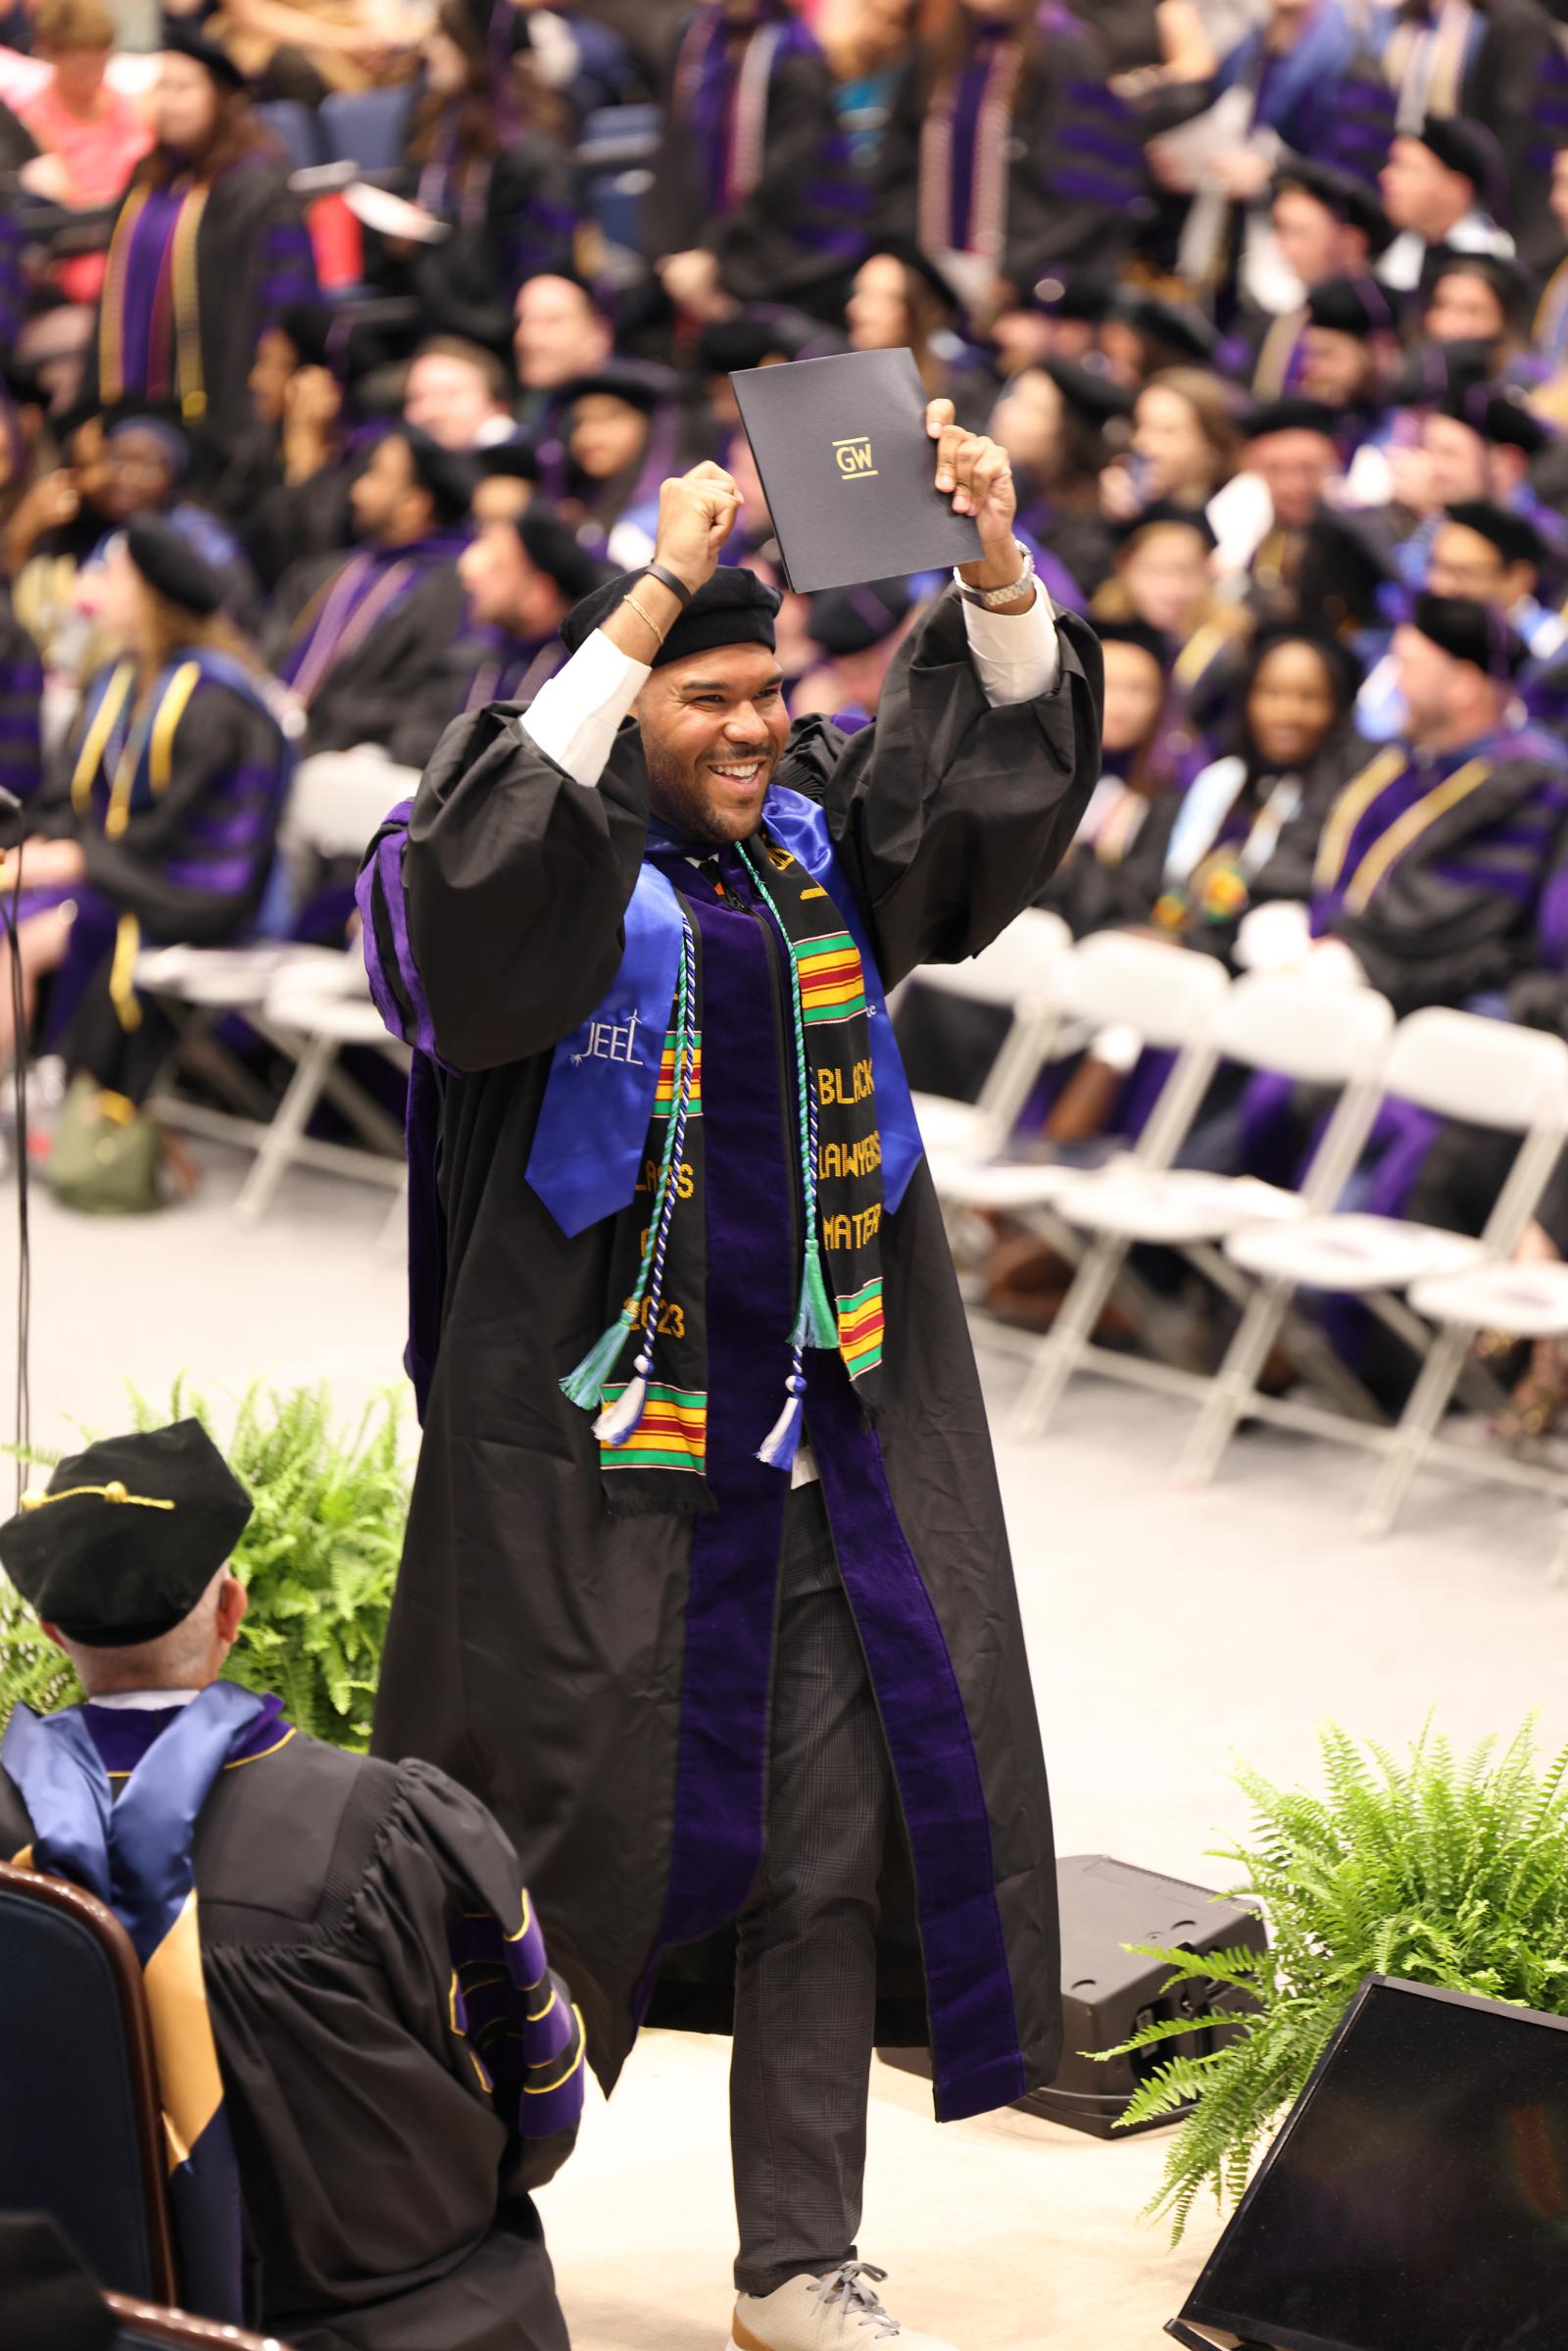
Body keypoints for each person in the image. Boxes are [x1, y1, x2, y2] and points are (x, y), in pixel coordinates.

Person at [356, 416, 1101, 2351]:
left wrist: (996, 573)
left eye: (777, 689)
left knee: (827, 1855)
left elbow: (973, 805)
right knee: (539, 1845)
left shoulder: (806, 845)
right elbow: (452, 917)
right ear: (628, 698)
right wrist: (644, 598)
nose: (763, 727)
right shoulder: (528, 852)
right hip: (589, 1472)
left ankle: (793, 2252)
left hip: (826, 1443)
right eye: (715, 697)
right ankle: (418, 2221)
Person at [0, 1418, 583, 2349]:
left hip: (75, 2322)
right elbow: (540, 2096)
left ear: (50, 1626)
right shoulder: (392, 1830)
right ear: (231, 1609)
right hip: (392, 2323)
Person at [1, 520, 289, 1092]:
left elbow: (186, 846)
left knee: (19, 939)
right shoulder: (117, 681)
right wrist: (44, 849)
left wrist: (80, 862)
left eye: (110, 574)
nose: (92, 586)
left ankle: (55, 1098)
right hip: (119, 875)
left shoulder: (218, 706)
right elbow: (70, 799)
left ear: (149, 595)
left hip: (193, 895)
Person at [1263, 590, 1568, 1014]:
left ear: (1462, 685)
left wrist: (1353, 955)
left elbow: (1453, 920)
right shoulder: (1378, 760)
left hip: (1402, 1006)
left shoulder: (1526, 790)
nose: (1395, 683)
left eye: (1407, 667)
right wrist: (1280, 908)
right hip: (1300, 981)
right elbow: (1305, 838)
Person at [83, 27, 319, 473]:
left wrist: (270, 366)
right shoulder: (147, 180)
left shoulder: (257, 183)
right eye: (161, 87)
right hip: (140, 404)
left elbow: (288, 293)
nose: (168, 101)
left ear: (222, 96)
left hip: (222, 398)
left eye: (183, 88)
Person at [877, 0, 1142, 321]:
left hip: (1032, 294)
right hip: (932, 285)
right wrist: (914, 262)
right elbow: (896, 168)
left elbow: (1095, 184)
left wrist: (1018, 274)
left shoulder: (1068, 56)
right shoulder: (934, 55)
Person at [643, 0, 866, 321]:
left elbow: (788, 180)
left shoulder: (795, 57)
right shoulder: (693, 42)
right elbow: (670, 158)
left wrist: (716, 260)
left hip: (772, 269)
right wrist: (672, 260)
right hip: (691, 266)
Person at [380, 0, 581, 353]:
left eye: (445, 37)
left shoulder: (530, 153)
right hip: (439, 317)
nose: (432, 49)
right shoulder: (434, 122)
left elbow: (543, 262)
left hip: (504, 333)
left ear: (477, 50)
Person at [270, 425, 470, 759]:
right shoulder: (326, 573)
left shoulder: (448, 591)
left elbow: (414, 696)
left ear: (413, 504)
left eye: (375, 477)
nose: (356, 492)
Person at [390, 503, 605, 764]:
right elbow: (411, 742)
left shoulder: (575, 680)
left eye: (497, 567)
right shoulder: (468, 660)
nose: (472, 575)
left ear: (537, 596)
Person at [1377, 114, 1514, 295]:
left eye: (1404, 167)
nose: (1385, 177)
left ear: (1456, 189)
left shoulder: (1492, 269)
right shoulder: (1399, 258)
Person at [404, 336, 522, 452]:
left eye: (449, 395)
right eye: (416, 398)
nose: (429, 410)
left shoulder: (526, 460)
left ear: (498, 408)